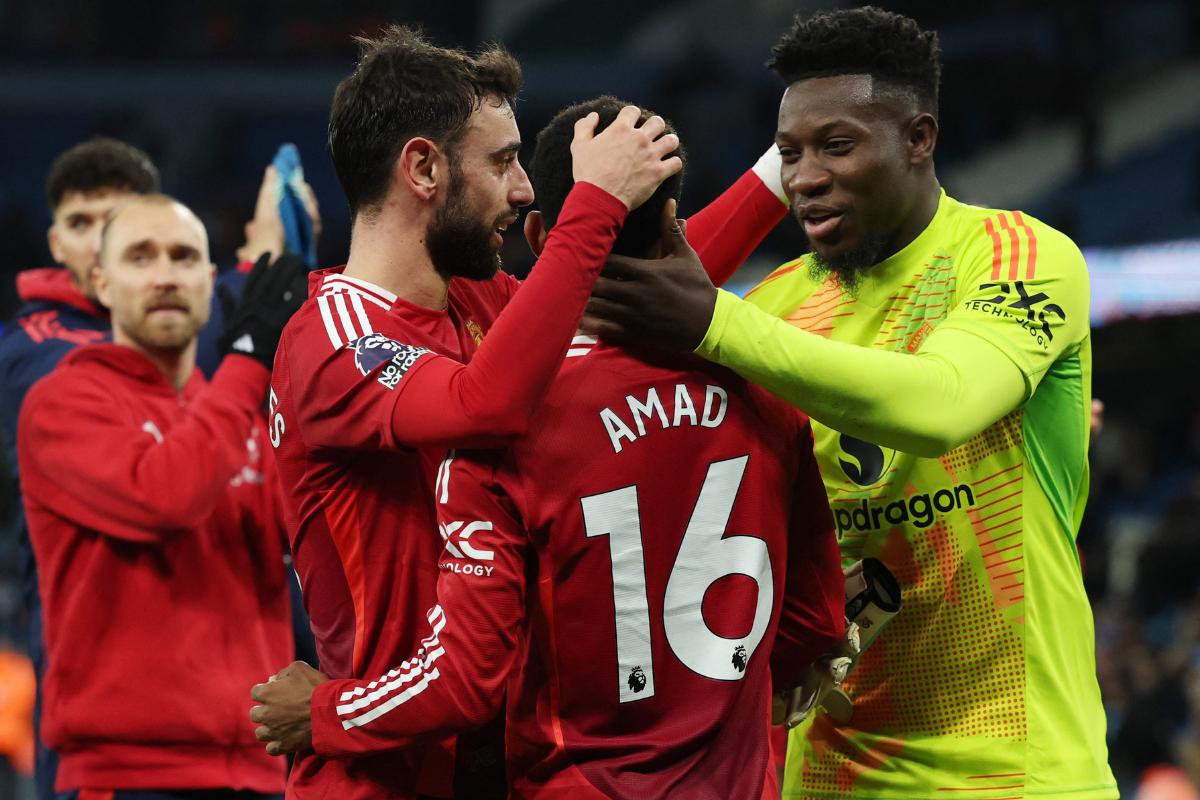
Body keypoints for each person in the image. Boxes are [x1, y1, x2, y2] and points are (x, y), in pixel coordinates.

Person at [582, 7, 1116, 800]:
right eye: (790, 154)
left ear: (918, 138)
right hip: (831, 774)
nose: (805, 177)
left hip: (1018, 773)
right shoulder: (770, 308)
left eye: (837, 146)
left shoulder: (1017, 255)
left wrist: (710, 319)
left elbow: (943, 407)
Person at [251, 97, 846, 800]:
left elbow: (612, 292)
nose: (522, 184)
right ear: (423, 169)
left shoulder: (489, 318)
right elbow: (489, 395)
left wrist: (779, 170)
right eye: (502, 160)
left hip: (498, 758)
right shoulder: (337, 335)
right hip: (387, 769)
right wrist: (603, 203)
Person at [0, 138, 314, 800]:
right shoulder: (61, 401)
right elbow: (167, 495)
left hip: (256, 775)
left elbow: (317, 542)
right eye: (141, 258)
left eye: (183, 257)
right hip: (129, 776)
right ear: (100, 283)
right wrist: (251, 358)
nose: (166, 275)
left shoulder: (235, 418)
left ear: (213, 281)